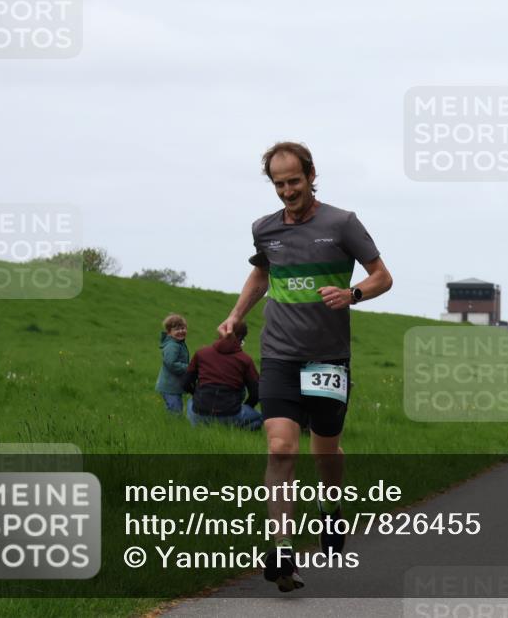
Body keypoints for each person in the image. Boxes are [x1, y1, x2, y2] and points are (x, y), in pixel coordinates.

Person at [218, 141, 392, 592]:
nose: (287, 191)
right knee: (281, 448)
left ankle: (331, 512)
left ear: (312, 175)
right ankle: (281, 549)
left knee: (325, 452)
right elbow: (262, 274)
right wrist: (237, 315)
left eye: (294, 181)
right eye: (279, 184)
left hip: (328, 358)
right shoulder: (265, 229)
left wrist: (352, 294)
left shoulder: (342, 224)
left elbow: (382, 276)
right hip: (278, 354)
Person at [183, 321, 263, 430]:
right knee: (260, 418)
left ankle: (200, 426)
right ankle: (234, 430)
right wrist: (247, 406)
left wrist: (197, 394)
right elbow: (256, 393)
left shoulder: (201, 353)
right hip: (230, 414)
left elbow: (185, 384)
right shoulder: (245, 360)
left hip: (199, 413)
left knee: (190, 402)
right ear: (240, 338)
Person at [155, 313, 189, 414]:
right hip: (169, 386)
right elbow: (171, 364)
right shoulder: (172, 346)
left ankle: (174, 423)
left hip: (173, 385)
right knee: (175, 411)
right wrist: (189, 368)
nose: (181, 331)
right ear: (169, 332)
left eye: (183, 328)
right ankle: (173, 425)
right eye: (177, 329)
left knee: (176, 408)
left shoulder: (179, 344)